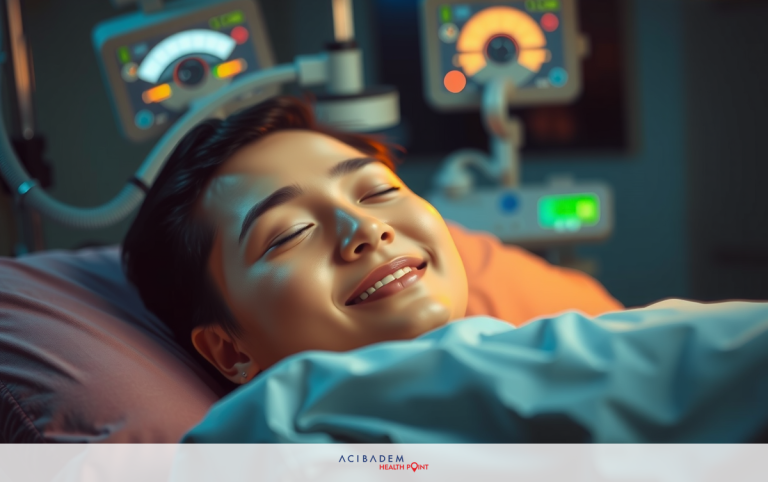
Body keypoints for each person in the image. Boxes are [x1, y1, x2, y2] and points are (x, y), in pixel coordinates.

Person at [122, 96, 621, 387]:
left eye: (378, 192)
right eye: (291, 233)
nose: (365, 229)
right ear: (230, 351)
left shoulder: (584, 352)